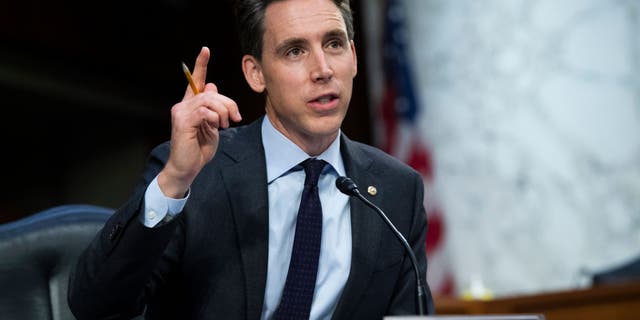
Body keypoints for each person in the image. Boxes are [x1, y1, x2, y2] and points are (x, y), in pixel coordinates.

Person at [68, 0, 434, 319]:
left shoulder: (396, 191)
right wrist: (175, 180)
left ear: (353, 58)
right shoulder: (197, 174)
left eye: (334, 44)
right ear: (255, 73)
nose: (323, 69)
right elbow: (95, 305)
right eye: (295, 51)